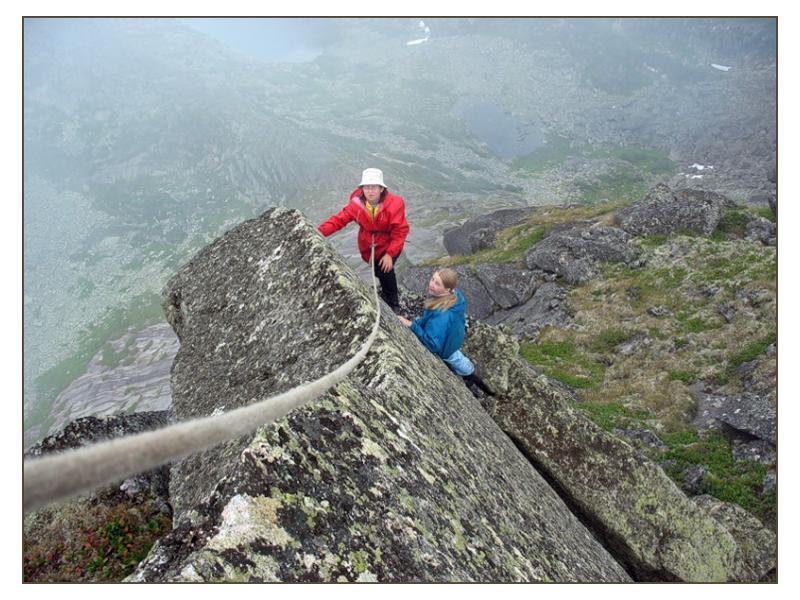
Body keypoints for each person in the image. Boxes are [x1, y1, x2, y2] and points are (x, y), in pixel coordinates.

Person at [319, 168, 409, 312]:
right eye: (367, 187)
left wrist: (390, 255)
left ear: (381, 189)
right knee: (377, 271)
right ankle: (385, 290)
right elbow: (339, 220)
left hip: (389, 242)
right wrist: (319, 232)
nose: (370, 191)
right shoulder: (356, 204)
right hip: (369, 243)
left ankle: (393, 302)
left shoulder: (395, 204)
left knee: (386, 270)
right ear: (362, 188)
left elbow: (400, 231)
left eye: (374, 187)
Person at [398, 268, 494, 397]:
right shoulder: (454, 296)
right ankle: (470, 370)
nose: (431, 284)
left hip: (447, 346)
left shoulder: (442, 314)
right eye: (433, 279)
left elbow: (433, 345)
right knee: (457, 357)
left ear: (447, 290)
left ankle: (472, 374)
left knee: (455, 359)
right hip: (453, 336)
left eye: (437, 283)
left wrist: (411, 325)